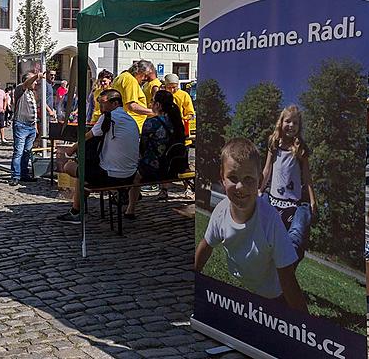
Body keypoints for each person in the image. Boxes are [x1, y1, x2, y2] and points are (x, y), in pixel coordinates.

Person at [195, 139, 307, 312]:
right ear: (222, 178)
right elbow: (205, 246)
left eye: (248, 179)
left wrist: (307, 327)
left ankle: (303, 212)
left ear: (260, 180)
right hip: (264, 258)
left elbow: (287, 278)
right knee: (287, 244)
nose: (240, 187)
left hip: (273, 289)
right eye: (233, 178)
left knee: (295, 242)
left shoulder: (269, 219)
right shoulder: (220, 212)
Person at [57, 89, 140, 222]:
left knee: (72, 168)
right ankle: (130, 210)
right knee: (87, 173)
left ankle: (76, 212)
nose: (99, 106)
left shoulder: (108, 117)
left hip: (111, 176)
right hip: (130, 175)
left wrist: (70, 150)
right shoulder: (131, 120)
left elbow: (87, 137)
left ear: (115, 104)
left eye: (102, 103)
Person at [261, 105, 315, 263]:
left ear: (299, 126)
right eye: (288, 121)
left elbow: (307, 176)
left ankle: (287, 268)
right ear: (281, 122)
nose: (291, 125)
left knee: (292, 240)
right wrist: (260, 188)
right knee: (266, 234)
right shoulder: (274, 143)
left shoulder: (300, 149)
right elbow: (267, 169)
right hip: (274, 199)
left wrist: (312, 200)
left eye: (295, 123)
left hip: (292, 203)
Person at [125, 90, 187, 218]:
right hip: (174, 167)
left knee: (133, 174)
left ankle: (130, 209)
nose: (150, 104)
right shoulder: (177, 122)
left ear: (158, 105)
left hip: (155, 168)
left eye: (152, 101)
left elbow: (142, 147)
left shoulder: (151, 123)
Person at [9, 70, 44, 186]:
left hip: (31, 126)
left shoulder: (32, 93)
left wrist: (35, 126)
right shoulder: (20, 89)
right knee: (18, 151)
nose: (35, 83)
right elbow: (26, 84)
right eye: (33, 81)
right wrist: (36, 76)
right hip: (21, 124)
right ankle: (15, 176)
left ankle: (24, 174)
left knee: (26, 152)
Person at [111, 61, 155, 131]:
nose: (145, 79)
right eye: (145, 75)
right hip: (132, 125)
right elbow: (132, 106)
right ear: (139, 72)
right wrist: (153, 112)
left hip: (122, 122)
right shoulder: (130, 80)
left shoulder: (121, 77)